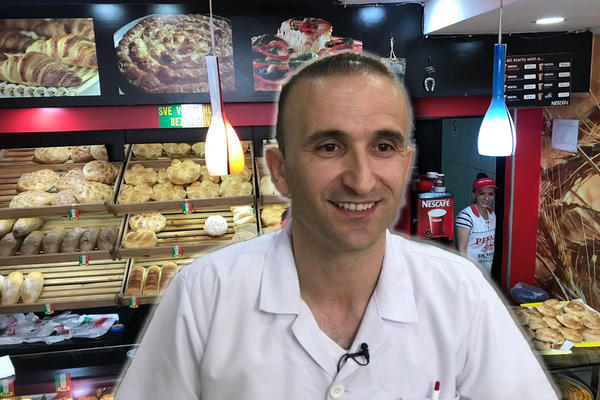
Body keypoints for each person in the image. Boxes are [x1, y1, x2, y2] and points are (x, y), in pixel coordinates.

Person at [116, 53, 557, 399]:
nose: (361, 180)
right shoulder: (203, 296)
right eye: (329, 146)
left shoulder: (461, 294)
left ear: (405, 165)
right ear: (281, 170)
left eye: (383, 146)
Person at [456, 173, 497, 275]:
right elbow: (461, 250)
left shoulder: (492, 214)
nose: (486, 198)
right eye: (482, 193)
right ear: (474, 194)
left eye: (490, 194)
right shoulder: (466, 217)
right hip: (470, 272)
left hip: (486, 271)